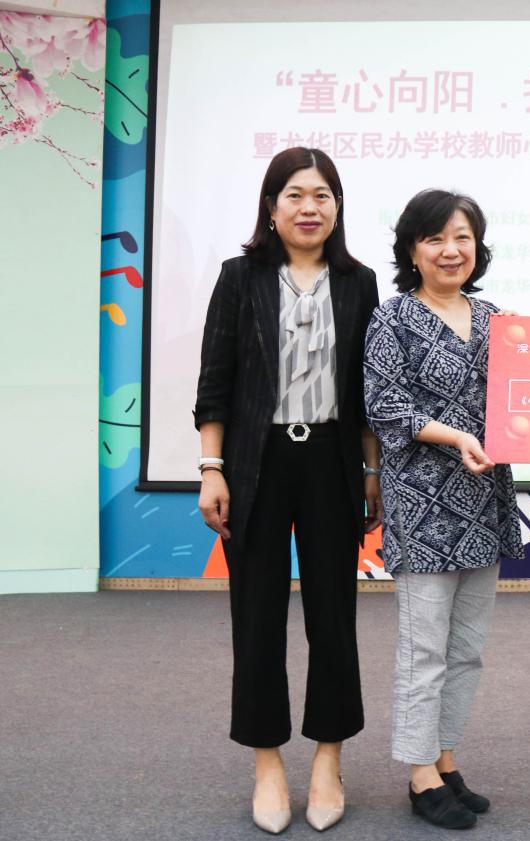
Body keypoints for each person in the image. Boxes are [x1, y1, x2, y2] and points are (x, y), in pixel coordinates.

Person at [194, 147, 381, 834]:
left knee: (334, 616)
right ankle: (267, 762)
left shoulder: (358, 282)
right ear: (271, 207)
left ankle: (329, 758)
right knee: (257, 616)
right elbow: (215, 380)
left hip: (332, 461)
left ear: (337, 207)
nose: (309, 207)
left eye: (322, 195)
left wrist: (371, 473)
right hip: (257, 464)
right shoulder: (240, 277)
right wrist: (211, 468)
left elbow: (366, 393)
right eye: (295, 194)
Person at [364, 189, 524, 831]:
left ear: (478, 247)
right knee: (424, 647)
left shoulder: (498, 320)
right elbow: (385, 407)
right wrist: (456, 436)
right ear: (412, 250)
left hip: (484, 500)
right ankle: (419, 774)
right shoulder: (392, 317)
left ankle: (446, 759)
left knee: (466, 649)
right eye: (435, 239)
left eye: (462, 237)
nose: (451, 250)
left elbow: (526, 399)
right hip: (423, 502)